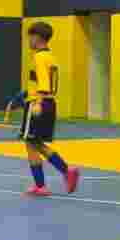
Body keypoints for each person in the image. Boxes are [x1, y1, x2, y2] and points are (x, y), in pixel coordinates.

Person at [21, 21, 81, 197]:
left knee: (31, 143)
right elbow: (40, 81)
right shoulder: (50, 57)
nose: (29, 40)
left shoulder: (39, 57)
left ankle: (59, 174)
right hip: (49, 103)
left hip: (38, 103)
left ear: (38, 38)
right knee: (35, 143)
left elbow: (43, 83)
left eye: (30, 37)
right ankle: (54, 178)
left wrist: (37, 102)